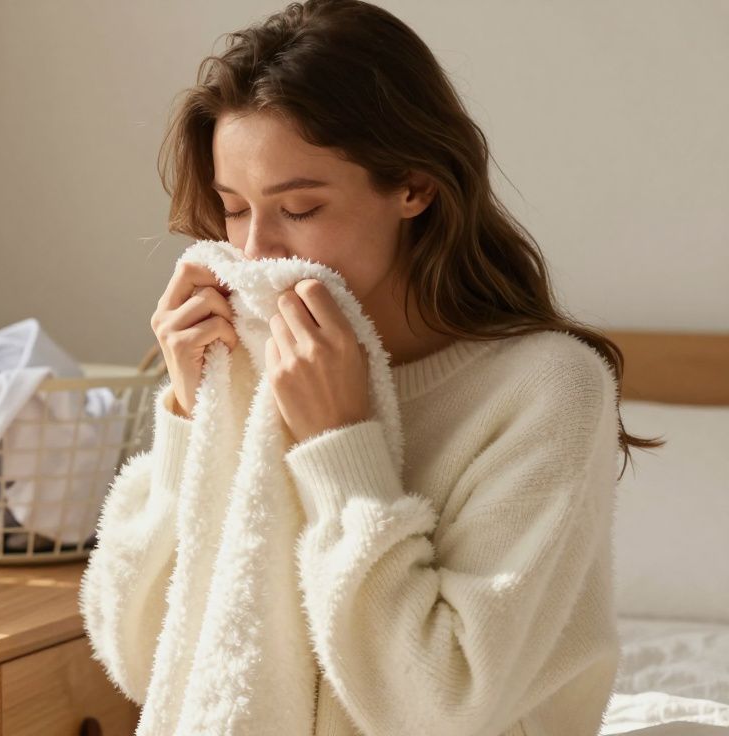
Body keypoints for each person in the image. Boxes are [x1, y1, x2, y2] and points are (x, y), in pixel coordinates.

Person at [79, 1, 664, 734]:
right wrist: (193, 425)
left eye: (298, 206)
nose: (256, 250)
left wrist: (340, 447)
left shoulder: (546, 390)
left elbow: (440, 702)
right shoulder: (251, 374)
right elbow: (146, 662)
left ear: (413, 187)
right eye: (233, 209)